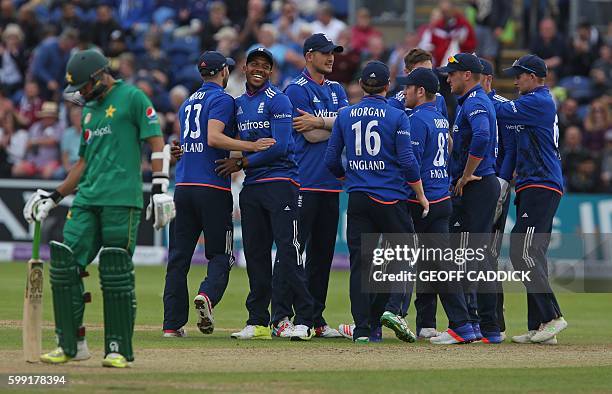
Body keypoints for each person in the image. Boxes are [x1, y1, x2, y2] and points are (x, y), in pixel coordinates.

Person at [22, 49, 175, 368]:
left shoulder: (133, 97)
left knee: (115, 269)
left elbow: (157, 144)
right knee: (64, 265)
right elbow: (83, 162)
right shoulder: (89, 110)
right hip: (87, 199)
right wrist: (54, 196)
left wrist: (160, 189)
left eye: (83, 86)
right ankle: (71, 344)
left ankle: (117, 348)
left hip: (122, 199)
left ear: (99, 76)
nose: (80, 94)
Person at [162, 51, 275, 338]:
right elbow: (213, 138)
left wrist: (181, 152)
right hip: (212, 187)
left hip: (184, 186)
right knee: (221, 255)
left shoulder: (188, 103)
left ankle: (172, 325)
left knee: (178, 258)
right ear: (224, 71)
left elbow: (193, 143)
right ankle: (207, 295)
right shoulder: (223, 99)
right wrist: (254, 147)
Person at [324, 61, 429, 343]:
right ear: (387, 86)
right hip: (391, 198)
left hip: (358, 197)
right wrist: (419, 193)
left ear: (360, 85)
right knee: (403, 254)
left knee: (361, 265)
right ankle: (390, 310)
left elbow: (331, 160)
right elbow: (408, 161)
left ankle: (363, 329)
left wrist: (346, 178)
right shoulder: (397, 116)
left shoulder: (345, 114)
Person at [215, 47, 315, 341]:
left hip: (282, 183)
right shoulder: (238, 105)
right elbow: (223, 138)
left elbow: (281, 146)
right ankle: (258, 321)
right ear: (244, 68)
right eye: (254, 64)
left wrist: (244, 161)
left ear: (271, 71)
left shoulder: (279, 100)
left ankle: (305, 319)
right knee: (256, 255)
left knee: (288, 251)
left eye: (265, 66)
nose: (259, 69)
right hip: (252, 187)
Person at [271, 33, 348, 339]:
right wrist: (332, 126)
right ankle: (281, 316)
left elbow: (340, 126)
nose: (331, 58)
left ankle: (315, 318)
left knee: (322, 257)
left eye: (334, 53)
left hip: (331, 185)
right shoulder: (296, 90)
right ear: (309, 56)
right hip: (304, 183)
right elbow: (313, 136)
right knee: (293, 252)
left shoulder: (337, 88)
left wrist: (319, 122)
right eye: (325, 53)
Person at [489, 54, 567, 344]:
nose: (516, 80)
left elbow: (502, 109)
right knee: (533, 254)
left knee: (521, 252)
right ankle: (540, 327)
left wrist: (485, 93)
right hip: (533, 184)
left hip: (542, 184)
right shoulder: (533, 103)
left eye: (519, 75)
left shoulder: (538, 101)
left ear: (533, 77)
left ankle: (553, 317)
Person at [396, 67, 477, 345]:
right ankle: (437, 325)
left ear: (420, 91)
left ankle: (463, 325)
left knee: (435, 266)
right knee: (433, 266)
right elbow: (449, 148)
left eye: (407, 88)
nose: (404, 93)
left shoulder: (417, 120)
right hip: (441, 197)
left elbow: (412, 162)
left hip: (424, 201)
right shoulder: (440, 118)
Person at [438, 52, 502, 343]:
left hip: (476, 185)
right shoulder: (470, 102)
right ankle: (487, 327)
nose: (447, 79)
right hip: (481, 185)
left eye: (451, 74)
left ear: (466, 75)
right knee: (477, 257)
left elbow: (482, 136)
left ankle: (469, 325)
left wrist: (465, 174)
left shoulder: (475, 102)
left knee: (464, 256)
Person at [479, 58, 516, 339]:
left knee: (488, 254)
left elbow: (510, 148)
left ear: (487, 79)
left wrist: (502, 183)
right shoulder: (471, 102)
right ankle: (488, 320)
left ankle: (493, 321)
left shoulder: (501, 106)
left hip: (496, 187)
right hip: (476, 189)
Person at [388, 48, 448, 120]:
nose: (427, 76)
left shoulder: (439, 98)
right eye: (421, 71)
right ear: (406, 72)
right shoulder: (395, 104)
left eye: (429, 71)